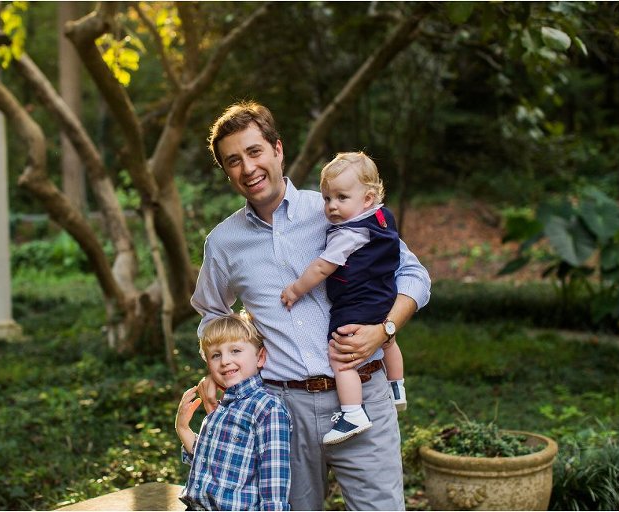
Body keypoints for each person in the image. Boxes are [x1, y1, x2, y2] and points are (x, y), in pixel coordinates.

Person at [192, 101, 430, 510]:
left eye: (255, 151)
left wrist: (385, 329)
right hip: (282, 412)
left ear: (277, 150)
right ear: (226, 172)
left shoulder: (335, 207)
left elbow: (413, 275)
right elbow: (212, 314)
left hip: (364, 393)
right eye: (233, 161)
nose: (248, 168)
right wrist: (219, 366)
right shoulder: (223, 243)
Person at [280, 152, 408, 446]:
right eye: (327, 198)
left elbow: (322, 267)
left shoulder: (348, 233)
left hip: (355, 303)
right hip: (383, 296)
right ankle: (397, 385)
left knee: (341, 357)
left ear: (367, 198)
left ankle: (353, 412)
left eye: (341, 198)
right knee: (388, 341)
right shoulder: (382, 218)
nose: (332, 206)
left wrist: (296, 289)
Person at [175, 313, 292, 511]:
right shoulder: (221, 409)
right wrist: (182, 428)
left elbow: (274, 482)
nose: (225, 361)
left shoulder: (267, 408)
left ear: (260, 357)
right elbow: (211, 465)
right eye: (216, 355)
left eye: (235, 350)